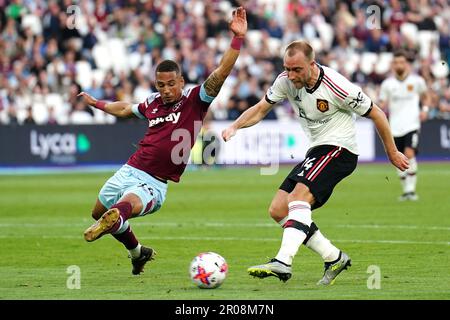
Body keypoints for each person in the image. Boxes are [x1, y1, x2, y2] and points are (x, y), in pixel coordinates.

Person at [222, 40, 409, 285]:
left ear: (312, 64)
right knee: (278, 209)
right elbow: (260, 109)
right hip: (317, 151)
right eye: (287, 68)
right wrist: (236, 125)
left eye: (296, 69)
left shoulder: (338, 86)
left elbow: (377, 113)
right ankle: (334, 257)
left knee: (298, 198)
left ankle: (283, 261)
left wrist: (392, 152)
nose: (290, 75)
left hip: (341, 150)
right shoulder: (284, 81)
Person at [77, 7, 247, 275]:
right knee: (98, 214)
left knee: (122, 209)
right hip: (131, 168)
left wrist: (237, 39)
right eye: (160, 85)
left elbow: (221, 72)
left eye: (171, 84)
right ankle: (138, 252)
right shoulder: (152, 103)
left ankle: (119, 219)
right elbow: (124, 109)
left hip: (155, 183)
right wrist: (96, 103)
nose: (166, 90)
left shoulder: (195, 100)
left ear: (181, 81)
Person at [379, 50, 430, 201]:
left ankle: (410, 190)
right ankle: (406, 191)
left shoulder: (417, 81)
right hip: (394, 127)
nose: (399, 65)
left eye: (401, 62)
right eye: (396, 62)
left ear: (406, 64)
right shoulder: (387, 84)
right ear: (392, 65)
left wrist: (425, 110)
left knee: (409, 154)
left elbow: (426, 97)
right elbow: (382, 104)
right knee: (398, 157)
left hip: (411, 124)